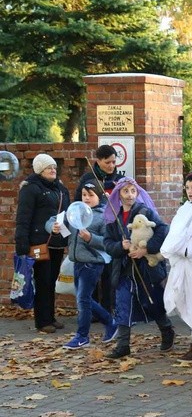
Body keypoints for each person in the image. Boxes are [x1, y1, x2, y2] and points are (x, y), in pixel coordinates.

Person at [102, 177, 174, 359]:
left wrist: (145, 249)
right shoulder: (113, 218)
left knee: (153, 302)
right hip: (124, 269)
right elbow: (107, 243)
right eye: (125, 191)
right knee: (122, 304)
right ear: (118, 194)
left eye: (133, 191)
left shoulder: (145, 212)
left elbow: (162, 229)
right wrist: (122, 247)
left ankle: (166, 329)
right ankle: (123, 344)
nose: (129, 195)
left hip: (146, 269)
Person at [48, 182, 117, 349]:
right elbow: (52, 220)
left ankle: (82, 336)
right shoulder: (75, 210)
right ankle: (111, 323)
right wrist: (54, 227)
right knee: (84, 298)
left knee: (83, 299)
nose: (87, 198)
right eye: (84, 194)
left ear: (98, 197)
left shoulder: (103, 216)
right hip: (76, 262)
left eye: (91, 195)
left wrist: (90, 238)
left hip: (93, 263)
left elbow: (108, 243)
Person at [160, 171, 192, 363]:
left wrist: (189, 250)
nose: (190, 191)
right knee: (185, 300)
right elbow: (175, 234)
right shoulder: (184, 209)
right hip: (181, 264)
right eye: (188, 187)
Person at [15, 153, 71, 333]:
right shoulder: (30, 189)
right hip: (39, 244)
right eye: (49, 168)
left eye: (54, 167)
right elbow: (23, 218)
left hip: (57, 242)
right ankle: (42, 320)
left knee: (51, 281)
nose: (53, 170)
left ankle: (50, 317)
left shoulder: (61, 189)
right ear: (40, 170)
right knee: (42, 281)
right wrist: (22, 244)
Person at [76, 144, 125, 315]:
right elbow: (79, 203)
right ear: (98, 161)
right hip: (93, 228)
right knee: (93, 271)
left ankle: (108, 307)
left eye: (113, 162)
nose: (111, 166)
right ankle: (93, 310)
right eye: (107, 162)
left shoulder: (118, 179)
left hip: (113, 228)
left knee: (111, 272)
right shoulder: (88, 178)